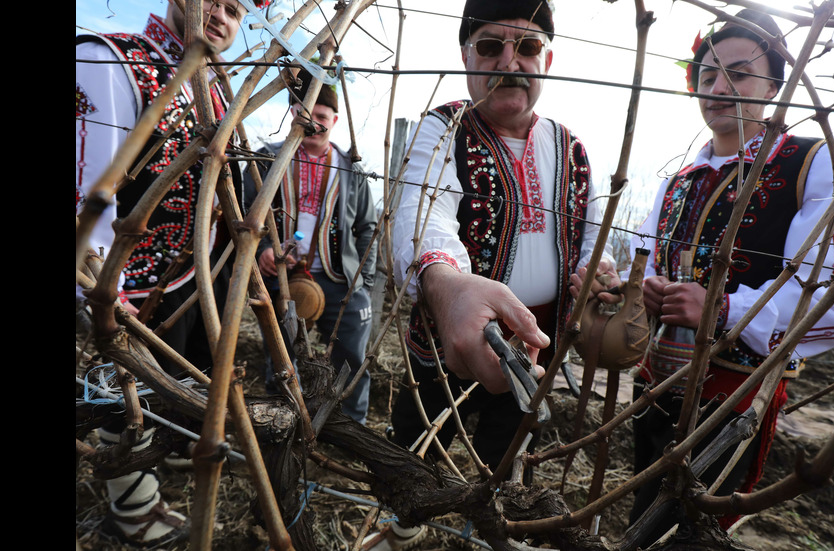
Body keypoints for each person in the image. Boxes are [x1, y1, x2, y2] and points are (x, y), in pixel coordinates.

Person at [626, 9, 834, 544]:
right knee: (640, 515)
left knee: (684, 533)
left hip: (731, 401)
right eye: (707, 76)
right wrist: (628, 288)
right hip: (653, 387)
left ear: (776, 84)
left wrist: (724, 309)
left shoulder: (814, 164)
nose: (719, 87)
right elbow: (638, 261)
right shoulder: (681, 179)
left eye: (739, 73)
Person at [389, 0, 619, 480]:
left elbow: (594, 239)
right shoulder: (444, 127)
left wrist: (598, 276)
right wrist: (449, 289)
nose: (509, 62)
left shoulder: (571, 147)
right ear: (466, 57)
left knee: (511, 459)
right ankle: (400, 528)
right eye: (491, 46)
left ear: (547, 61)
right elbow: (421, 218)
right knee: (416, 454)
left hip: (537, 346)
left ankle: (495, 526)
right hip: (444, 338)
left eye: (528, 47)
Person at [75, 1, 267, 545]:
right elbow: (87, 195)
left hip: (188, 281)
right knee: (122, 401)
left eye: (238, 10)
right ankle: (131, 509)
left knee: (164, 392)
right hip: (124, 290)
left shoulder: (213, 91)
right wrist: (99, 289)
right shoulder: (109, 60)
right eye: (217, 2)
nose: (225, 18)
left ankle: (149, 473)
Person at [242, 69, 378, 425]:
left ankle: (351, 429)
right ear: (293, 113)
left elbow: (367, 227)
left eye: (322, 116)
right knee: (282, 357)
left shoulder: (352, 168)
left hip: (340, 280)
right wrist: (262, 252)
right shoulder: (265, 160)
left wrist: (361, 280)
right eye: (306, 113)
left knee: (351, 359)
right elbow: (243, 217)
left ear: (334, 119)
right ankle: (282, 423)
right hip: (281, 280)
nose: (314, 123)